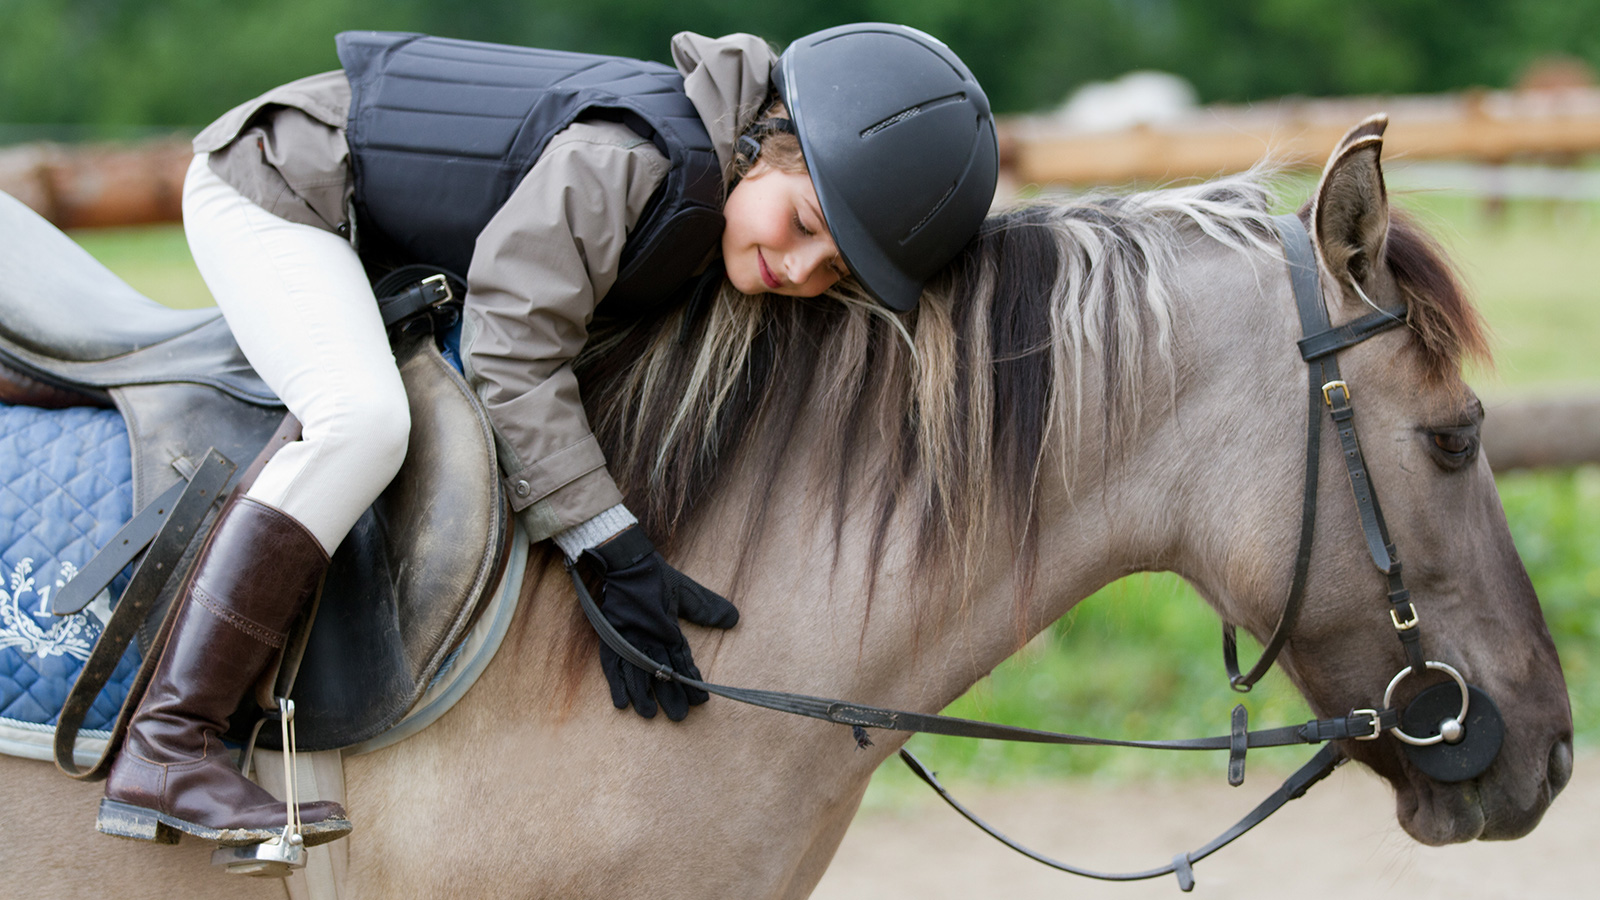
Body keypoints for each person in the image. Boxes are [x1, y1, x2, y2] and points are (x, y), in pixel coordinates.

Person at [96, 24, 998, 849]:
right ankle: (169, 739)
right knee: (362, 421)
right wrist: (608, 543)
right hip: (278, 187)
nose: (795, 270)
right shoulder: (630, 161)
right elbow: (512, 345)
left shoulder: (715, 190)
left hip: (365, 220)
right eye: (803, 224)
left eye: (830, 267)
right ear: (761, 146)